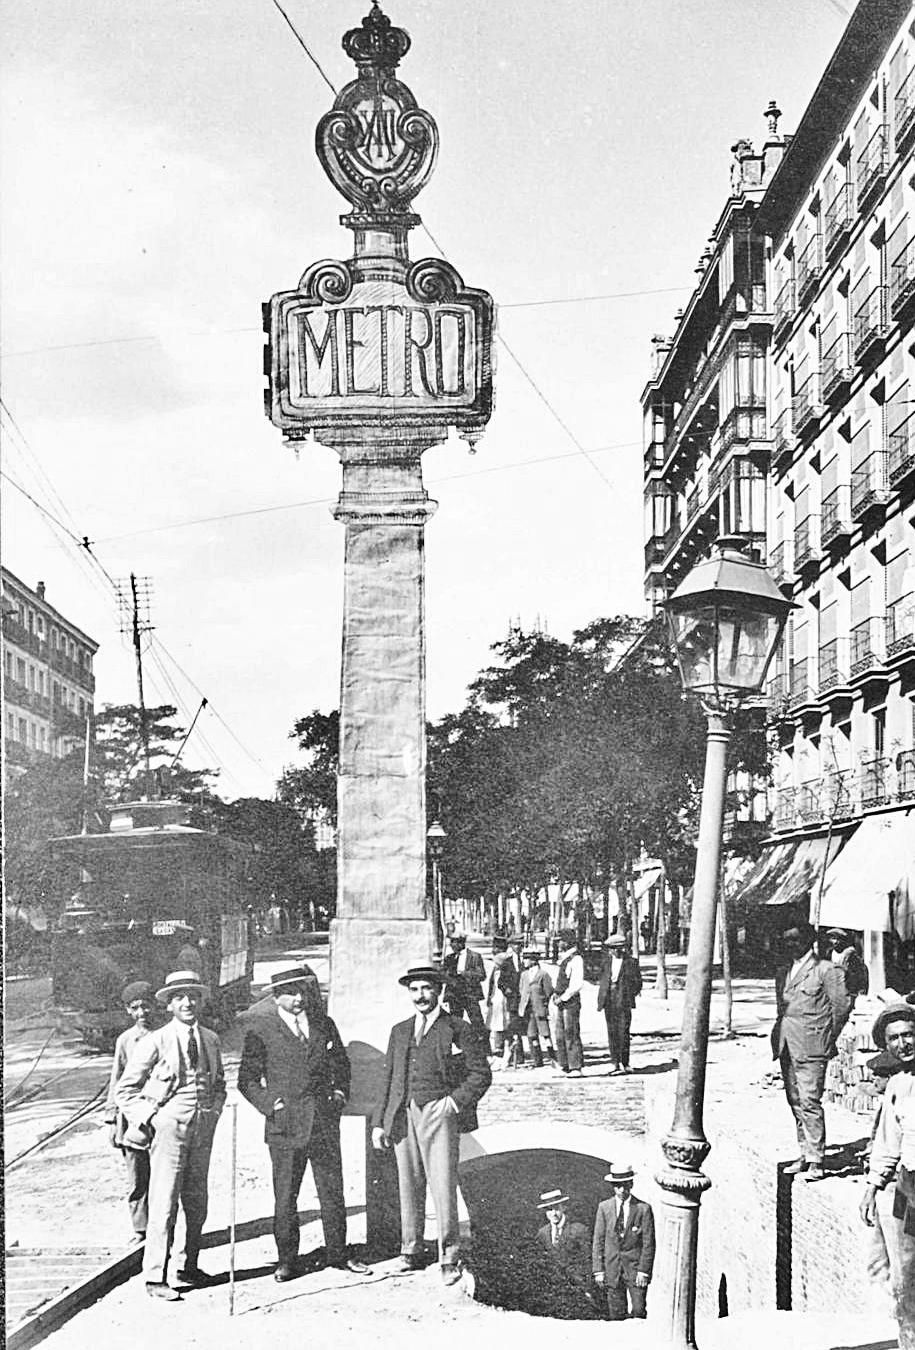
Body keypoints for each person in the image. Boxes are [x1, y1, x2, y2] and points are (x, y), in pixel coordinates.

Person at [237, 966, 371, 1282]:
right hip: (285, 1126)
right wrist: (272, 1105)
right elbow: (247, 1080)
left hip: (323, 1122)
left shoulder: (323, 1024)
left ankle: (338, 1254)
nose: (298, 999)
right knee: (286, 1196)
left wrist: (339, 1093)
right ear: (276, 997)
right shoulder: (261, 1030)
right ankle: (286, 1260)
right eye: (289, 993)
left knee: (332, 1189)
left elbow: (341, 1063)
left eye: (302, 992)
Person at [371, 963, 491, 1284]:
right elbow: (389, 1078)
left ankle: (449, 1255)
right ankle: (410, 1250)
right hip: (403, 1113)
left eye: (426, 989)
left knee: (442, 1184)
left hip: (439, 1112)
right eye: (414, 990)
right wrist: (380, 1123)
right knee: (408, 1183)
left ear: (438, 991)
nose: (420, 996)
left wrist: (453, 1103)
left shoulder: (457, 1028)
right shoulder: (399, 1031)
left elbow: (481, 1074)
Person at [115, 970, 225, 1300]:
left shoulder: (211, 1038)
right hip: (168, 1128)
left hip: (203, 1127)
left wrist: (215, 1110)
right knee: (164, 1201)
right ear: (169, 1005)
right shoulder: (155, 1041)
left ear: (201, 1000)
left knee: (197, 1201)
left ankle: (188, 1266)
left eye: (193, 996)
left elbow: (219, 1084)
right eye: (179, 998)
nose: (187, 1002)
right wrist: (152, 1117)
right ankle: (155, 1277)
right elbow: (125, 1090)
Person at [771, 921, 852, 1182]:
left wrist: (827, 1037)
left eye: (795, 939)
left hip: (812, 1045)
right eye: (786, 940)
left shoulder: (826, 970)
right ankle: (805, 1152)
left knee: (809, 1101)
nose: (790, 944)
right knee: (794, 1100)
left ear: (808, 941)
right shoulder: (784, 970)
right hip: (786, 1043)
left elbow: (841, 1008)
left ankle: (817, 1159)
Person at [859, 1003, 915, 1350]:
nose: (902, 1043)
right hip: (911, 1187)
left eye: (909, 1034)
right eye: (894, 1038)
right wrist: (871, 1188)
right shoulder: (897, 1084)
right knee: (907, 1278)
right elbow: (887, 1143)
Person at [103, 980, 160, 1243]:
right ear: (128, 1010)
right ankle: (140, 1229)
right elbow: (117, 1079)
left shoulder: (166, 1035)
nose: (142, 1013)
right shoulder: (125, 1041)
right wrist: (112, 1118)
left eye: (146, 1006)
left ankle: (167, 1228)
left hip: (161, 1112)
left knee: (166, 1175)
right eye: (135, 1008)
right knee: (137, 1176)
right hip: (132, 1118)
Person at [592, 1162, 655, 1320]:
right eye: (617, 1186)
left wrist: (644, 1271)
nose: (621, 1190)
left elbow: (649, 1244)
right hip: (612, 1269)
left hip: (635, 1270)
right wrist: (598, 1270)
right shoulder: (604, 1208)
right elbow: (598, 1240)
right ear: (613, 1186)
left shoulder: (643, 1209)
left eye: (625, 1185)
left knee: (639, 1310)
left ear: (631, 1184)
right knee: (616, 1314)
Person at [596, 933, 643, 1075]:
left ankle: (625, 1063)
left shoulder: (631, 962)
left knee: (623, 1032)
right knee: (612, 1032)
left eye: (614, 948)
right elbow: (602, 979)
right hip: (608, 999)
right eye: (610, 949)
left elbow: (638, 982)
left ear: (620, 948)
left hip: (623, 1000)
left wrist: (629, 994)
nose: (612, 951)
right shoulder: (605, 961)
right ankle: (614, 1063)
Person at [534, 1188, 592, 1301]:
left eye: (556, 1209)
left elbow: (587, 1261)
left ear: (563, 1207)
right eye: (549, 1210)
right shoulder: (542, 1233)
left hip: (577, 1286)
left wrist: (585, 1287)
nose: (553, 1213)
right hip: (554, 1288)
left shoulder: (578, 1229)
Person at [441, 936, 488, 1044]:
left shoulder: (474, 956)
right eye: (451, 942)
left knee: (477, 1022)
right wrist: (448, 976)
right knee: (456, 1023)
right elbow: (442, 975)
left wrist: (464, 973)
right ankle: (459, 1047)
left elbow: (481, 975)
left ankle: (484, 1049)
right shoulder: (449, 958)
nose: (452, 945)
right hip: (454, 995)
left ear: (461, 943)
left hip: (470, 994)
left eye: (454, 942)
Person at [552, 929, 584, 1077]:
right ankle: (563, 1064)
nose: (558, 943)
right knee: (559, 1034)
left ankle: (575, 1066)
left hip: (569, 1002)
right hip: (560, 1000)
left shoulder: (576, 959)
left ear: (567, 942)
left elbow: (576, 984)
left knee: (570, 1033)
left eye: (560, 941)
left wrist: (563, 997)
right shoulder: (564, 958)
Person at [519, 948, 555, 1067]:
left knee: (545, 1034)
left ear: (534, 960)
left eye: (527, 959)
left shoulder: (543, 974)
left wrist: (543, 1004)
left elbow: (549, 991)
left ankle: (553, 1058)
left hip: (539, 1009)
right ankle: (537, 1060)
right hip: (528, 1010)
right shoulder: (524, 975)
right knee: (532, 1034)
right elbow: (522, 989)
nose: (524, 961)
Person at [485, 936, 514, 1057]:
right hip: (497, 994)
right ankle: (502, 1046)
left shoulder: (501, 959)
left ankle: (498, 1048)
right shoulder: (506, 959)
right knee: (498, 1021)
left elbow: (494, 981)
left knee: (498, 1022)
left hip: (499, 995)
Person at [825, 927, 870, 1000]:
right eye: (833, 938)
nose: (836, 942)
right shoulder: (830, 953)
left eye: (838, 939)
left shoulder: (850, 954)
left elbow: (859, 974)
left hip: (849, 991)